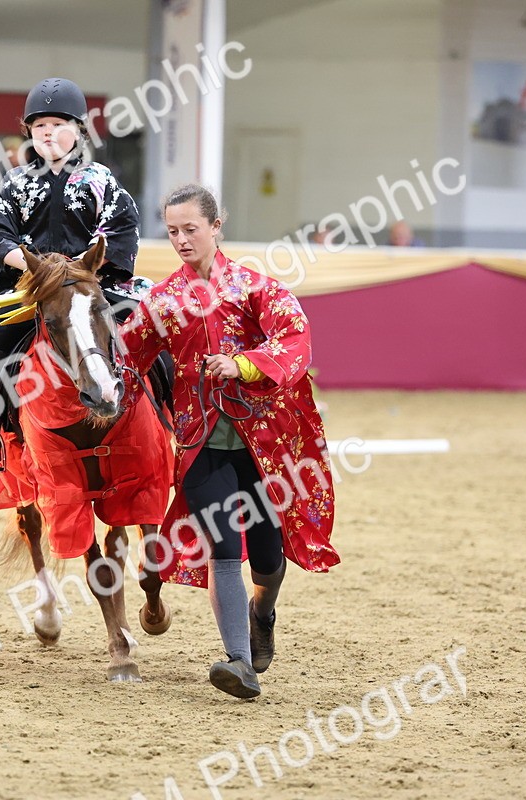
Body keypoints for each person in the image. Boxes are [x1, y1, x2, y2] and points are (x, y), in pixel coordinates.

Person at [119, 184, 339, 700]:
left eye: (190, 229)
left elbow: (294, 336)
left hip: (261, 445)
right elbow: (128, 354)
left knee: (265, 555)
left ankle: (263, 613)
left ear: (217, 226)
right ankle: (239, 661)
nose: (180, 240)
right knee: (223, 548)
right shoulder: (162, 300)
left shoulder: (256, 288)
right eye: (172, 231)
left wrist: (241, 364)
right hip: (200, 446)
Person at [0, 77, 140, 473]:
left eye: (58, 125)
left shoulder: (102, 181)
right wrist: (39, 271)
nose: (48, 133)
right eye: (40, 126)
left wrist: (80, 269)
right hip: (32, 289)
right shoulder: (15, 183)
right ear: (29, 131)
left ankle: (165, 412)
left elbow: (122, 231)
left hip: (92, 284)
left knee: (142, 323)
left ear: (79, 129)